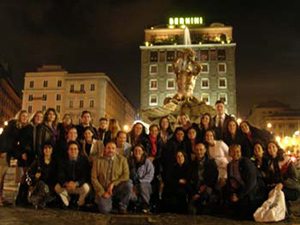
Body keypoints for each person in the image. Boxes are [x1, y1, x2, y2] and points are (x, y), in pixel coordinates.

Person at [225, 144, 266, 219]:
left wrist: (238, 196)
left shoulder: (247, 163)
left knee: (242, 210)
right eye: (233, 152)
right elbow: (229, 180)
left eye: (238, 152)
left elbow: (251, 182)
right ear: (229, 153)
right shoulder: (229, 165)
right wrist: (233, 193)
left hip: (251, 190)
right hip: (238, 188)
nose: (235, 154)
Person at [91, 141, 132, 214]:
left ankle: (122, 206)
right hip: (103, 189)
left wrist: (113, 184)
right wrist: (102, 192)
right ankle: (108, 202)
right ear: (104, 149)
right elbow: (94, 178)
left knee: (128, 184)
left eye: (113, 148)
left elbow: (126, 175)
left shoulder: (122, 160)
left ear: (116, 150)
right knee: (105, 210)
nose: (110, 150)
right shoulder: (97, 161)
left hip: (116, 188)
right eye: (108, 148)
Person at [0, 110, 29, 206]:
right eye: (23, 116)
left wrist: (18, 155)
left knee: (3, 176)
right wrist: (2, 150)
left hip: (7, 153)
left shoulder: (19, 127)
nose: (24, 118)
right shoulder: (13, 124)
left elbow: (14, 144)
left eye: (26, 116)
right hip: (3, 152)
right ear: (19, 116)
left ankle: (1, 198)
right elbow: (4, 137)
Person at [55, 141, 90, 207]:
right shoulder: (62, 161)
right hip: (67, 186)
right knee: (57, 187)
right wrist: (66, 183)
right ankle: (67, 201)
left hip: (78, 186)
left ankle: (79, 203)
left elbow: (84, 176)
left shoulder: (83, 161)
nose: (73, 151)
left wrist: (76, 183)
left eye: (75, 149)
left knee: (86, 188)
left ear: (78, 151)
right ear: (68, 151)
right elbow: (60, 175)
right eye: (71, 149)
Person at [188, 143, 219, 215]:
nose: (199, 152)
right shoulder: (192, 164)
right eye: (197, 150)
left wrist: (205, 186)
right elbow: (189, 179)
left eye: (201, 150)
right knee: (191, 212)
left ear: (205, 150)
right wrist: (195, 193)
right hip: (195, 190)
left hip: (207, 189)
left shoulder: (211, 163)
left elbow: (214, 178)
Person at [27, 143, 58, 209]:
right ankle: (40, 201)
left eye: (49, 148)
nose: (47, 150)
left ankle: (40, 200)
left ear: (52, 150)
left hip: (51, 185)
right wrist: (35, 177)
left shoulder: (55, 162)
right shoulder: (38, 161)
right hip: (39, 184)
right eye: (45, 149)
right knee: (42, 186)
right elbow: (30, 172)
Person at [129, 144, 154, 213]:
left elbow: (150, 174)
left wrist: (140, 182)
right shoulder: (130, 162)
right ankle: (136, 204)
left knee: (143, 186)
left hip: (145, 184)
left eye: (139, 150)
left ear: (143, 152)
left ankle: (146, 205)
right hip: (133, 184)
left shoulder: (147, 162)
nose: (137, 152)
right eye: (135, 150)